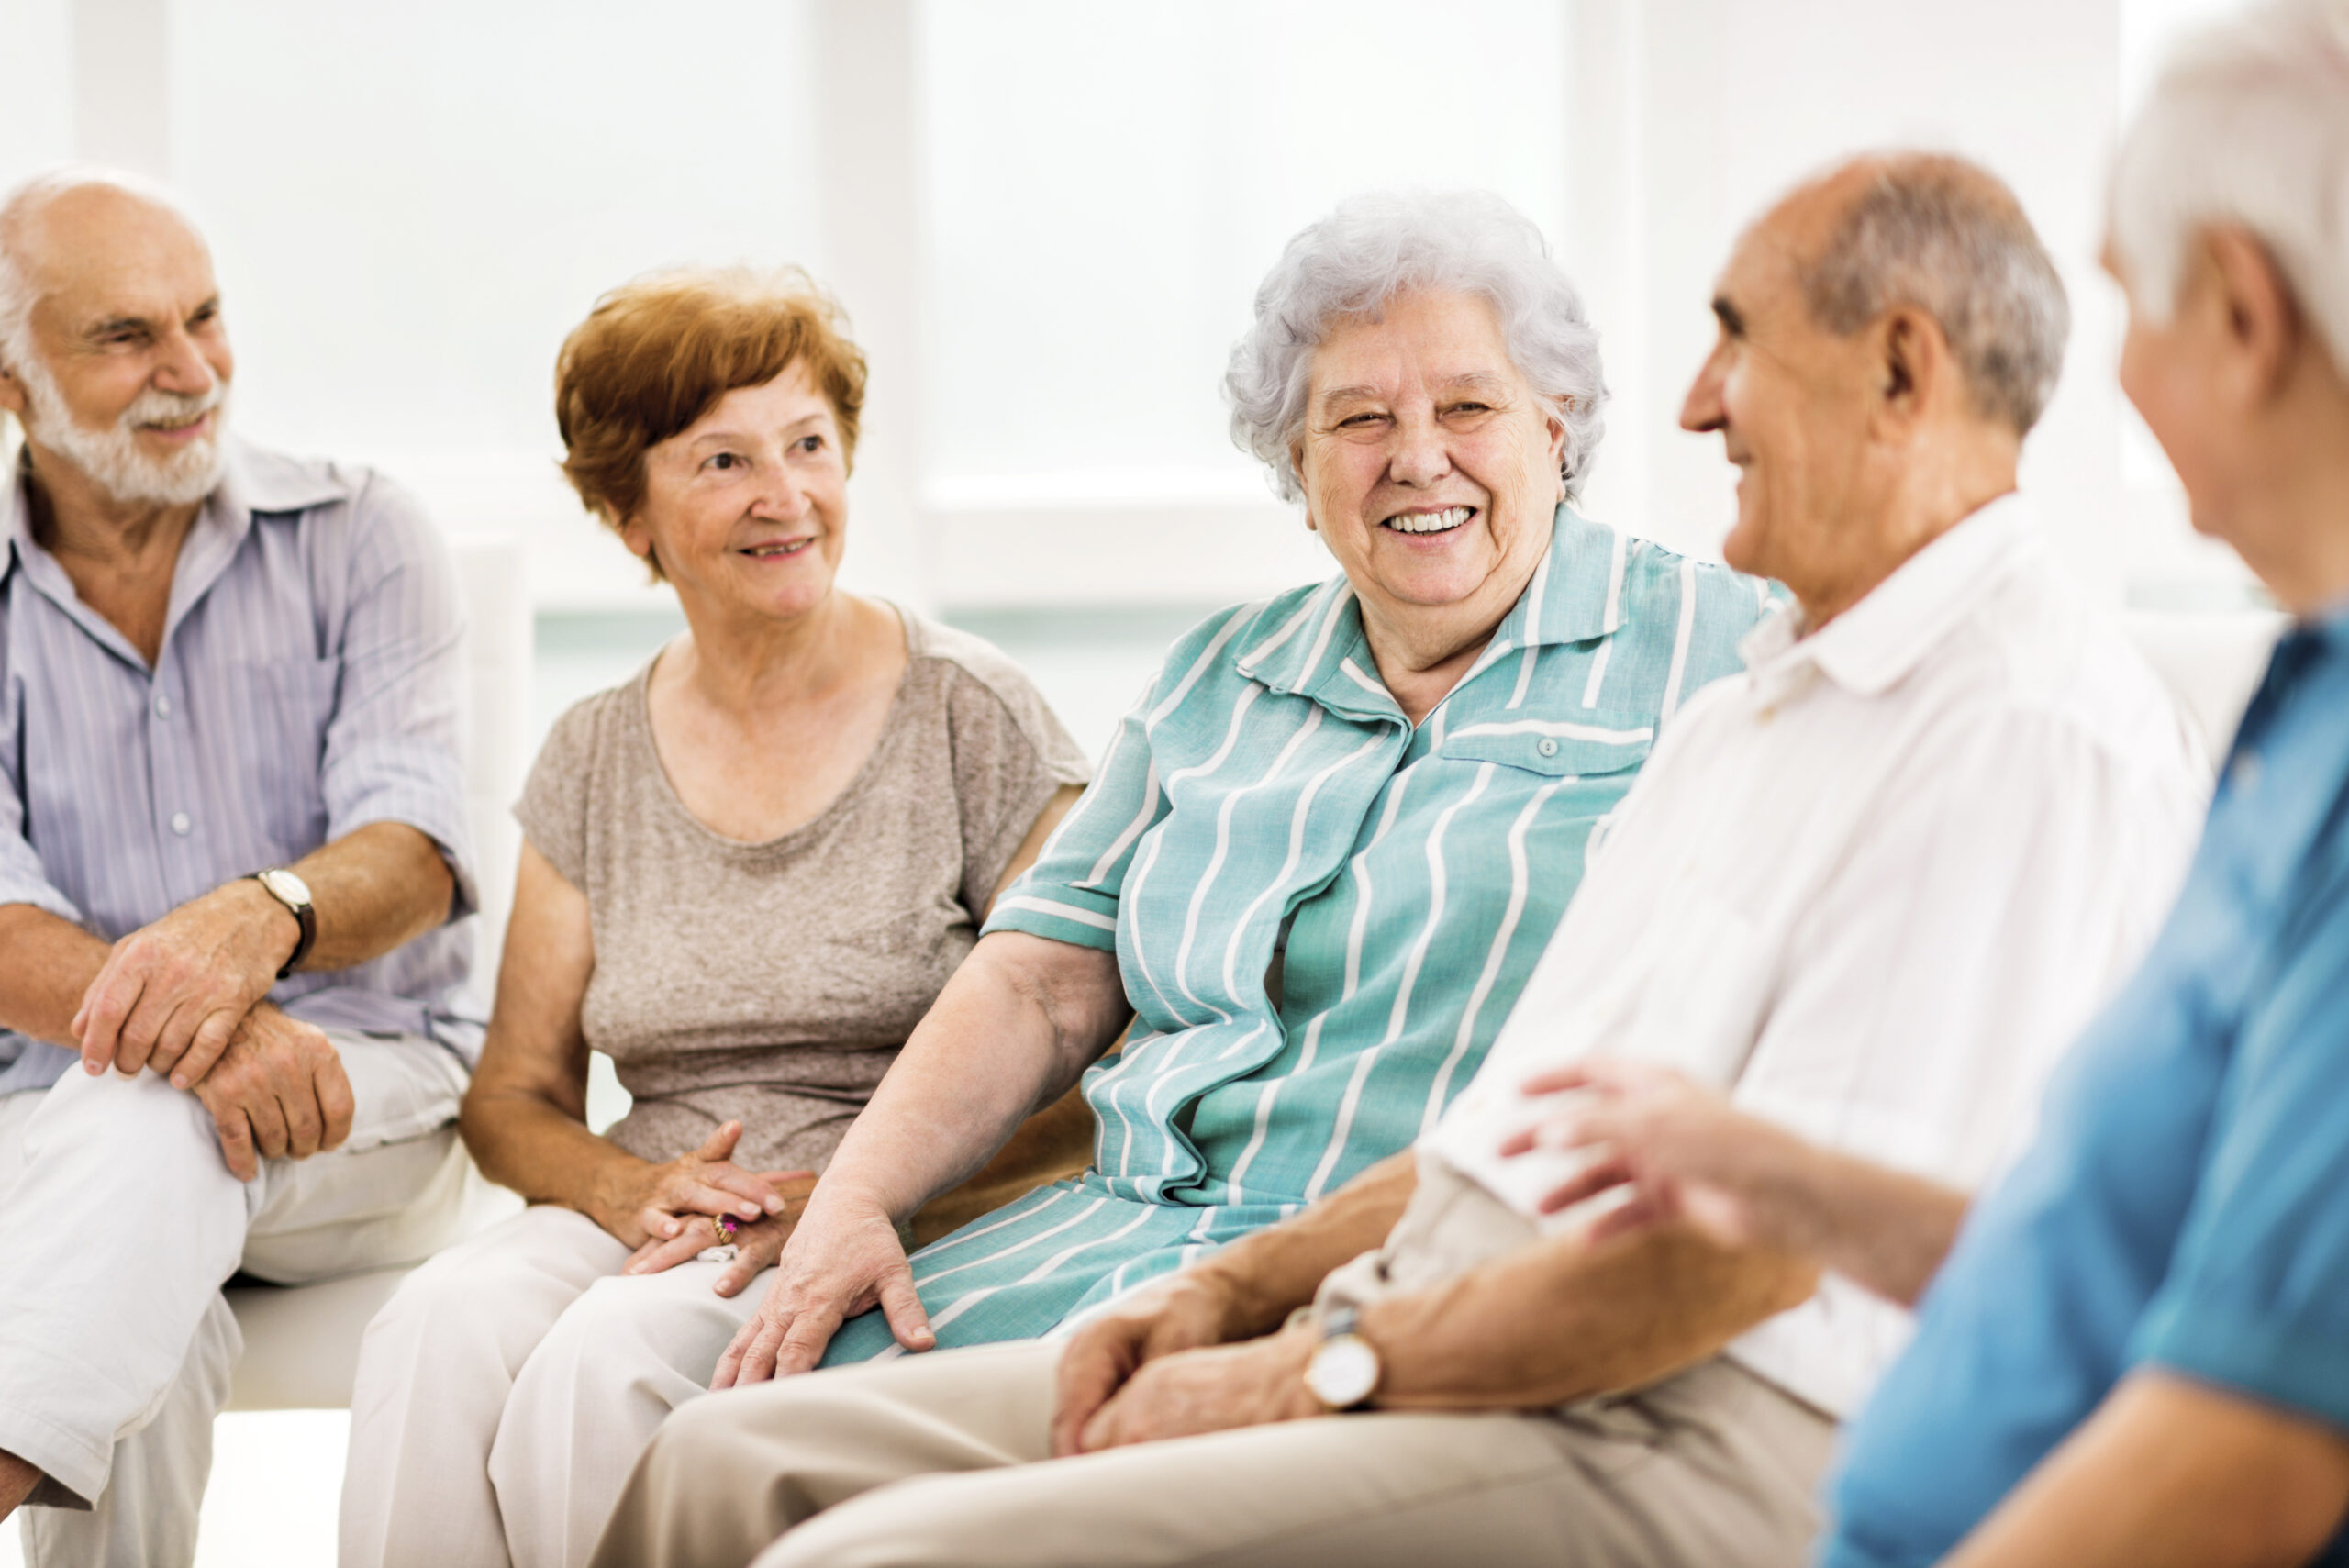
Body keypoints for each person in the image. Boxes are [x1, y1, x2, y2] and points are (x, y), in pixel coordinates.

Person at [591, 155, 2210, 1568]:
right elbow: (1520, 1117)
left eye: (1738, 341)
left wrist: (1317, 1360)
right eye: (1359, 419)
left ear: (1902, 370)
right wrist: (1232, 1299)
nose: (1699, 401)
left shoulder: (1980, 721)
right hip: (1407, 1293)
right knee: (723, 1464)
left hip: (1675, 1400)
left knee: (860, 1555)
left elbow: (1751, 1266)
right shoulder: (1785, 707)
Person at [700, 187, 1770, 1394]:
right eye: (1357, 419)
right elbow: (1039, 982)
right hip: (1109, 1240)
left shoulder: (1727, 650)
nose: (1418, 457)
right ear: (1298, 470)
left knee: (771, 1461)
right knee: (738, 1400)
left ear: (1556, 424)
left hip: (1402, 1280)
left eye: (1469, 405)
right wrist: (855, 1198)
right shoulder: (1220, 675)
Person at [337, 266, 1096, 1568]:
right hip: (659, 1204)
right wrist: (631, 1189)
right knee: (432, 1332)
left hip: (885, 1206)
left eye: (809, 445)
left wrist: (861, 1186)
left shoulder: (977, 713)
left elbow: (1087, 1054)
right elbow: (512, 1095)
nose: (784, 495)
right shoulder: (593, 753)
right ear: (631, 516)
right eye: (723, 460)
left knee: (601, 1367)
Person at [1809, 6, 2349, 1564]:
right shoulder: (2301, 707)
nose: (2108, 372)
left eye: (2124, 297)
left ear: (2244, 310)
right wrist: (1771, 1181)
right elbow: (2157, 1262)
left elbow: (2247, 1457)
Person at [0, 169, 484, 1567]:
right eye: (126, 336)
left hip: (368, 1102)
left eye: (206, 318)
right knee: (144, 1274)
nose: (191, 371)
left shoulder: (361, 532)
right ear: (15, 387)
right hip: (63, 1119)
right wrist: (195, 1022)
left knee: (140, 1133)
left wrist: (258, 918)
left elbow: (414, 855)